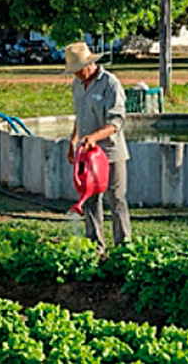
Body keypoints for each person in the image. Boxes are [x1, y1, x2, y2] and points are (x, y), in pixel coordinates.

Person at [63, 41, 131, 255]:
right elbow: (79, 115)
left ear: (89, 65)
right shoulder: (77, 85)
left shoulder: (110, 84)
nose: (75, 75)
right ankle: (96, 248)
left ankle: (123, 248)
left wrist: (94, 137)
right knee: (89, 199)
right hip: (86, 155)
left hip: (110, 153)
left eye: (77, 70)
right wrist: (74, 140)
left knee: (116, 199)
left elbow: (116, 122)